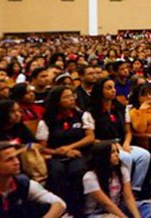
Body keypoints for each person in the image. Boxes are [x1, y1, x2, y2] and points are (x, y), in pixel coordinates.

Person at [36, 86, 95, 217]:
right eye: (66, 97)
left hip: (79, 153)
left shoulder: (81, 115)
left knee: (77, 171)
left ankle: (79, 210)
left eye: (71, 96)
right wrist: (60, 152)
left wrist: (70, 148)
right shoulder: (47, 121)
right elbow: (41, 147)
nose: (71, 99)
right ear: (57, 101)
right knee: (57, 172)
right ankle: (62, 210)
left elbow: (90, 137)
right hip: (56, 155)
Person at [87, 77, 151, 193]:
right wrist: (114, 146)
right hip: (104, 146)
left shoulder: (121, 108)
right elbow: (91, 137)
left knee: (144, 155)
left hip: (122, 144)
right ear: (100, 91)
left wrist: (126, 143)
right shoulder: (91, 112)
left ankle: (135, 188)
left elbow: (128, 131)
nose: (113, 90)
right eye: (109, 88)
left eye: (114, 88)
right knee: (126, 158)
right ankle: (122, 191)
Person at [0, 141, 66, 218]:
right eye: (9, 159)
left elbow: (59, 204)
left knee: (45, 207)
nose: (17, 162)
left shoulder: (24, 182)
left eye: (16, 157)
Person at [83, 140, 151, 218]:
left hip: (118, 207)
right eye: (112, 152)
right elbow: (107, 204)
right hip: (97, 213)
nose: (117, 155)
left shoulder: (122, 170)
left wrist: (137, 217)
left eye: (117, 151)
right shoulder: (90, 177)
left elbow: (128, 197)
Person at [0, 100, 38, 169]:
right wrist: (22, 150)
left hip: (26, 165)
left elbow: (35, 144)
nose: (17, 114)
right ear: (3, 114)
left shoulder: (20, 128)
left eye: (19, 111)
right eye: (12, 112)